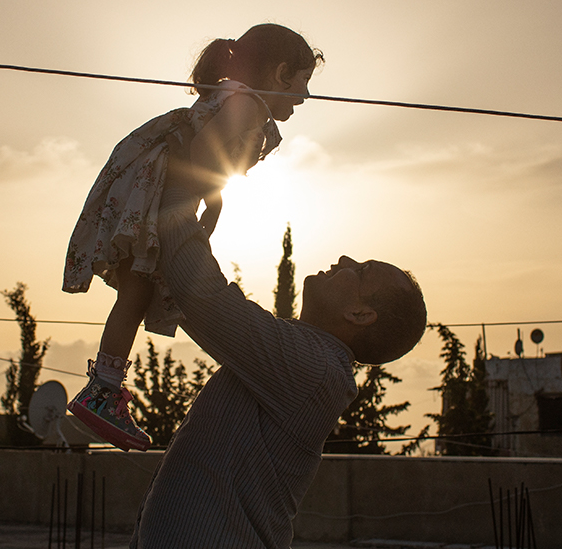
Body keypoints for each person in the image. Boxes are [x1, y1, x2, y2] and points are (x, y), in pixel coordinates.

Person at [126, 139, 428, 548]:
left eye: (360, 271)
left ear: (360, 315)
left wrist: (181, 186)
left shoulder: (312, 367)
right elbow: (191, 298)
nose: (343, 260)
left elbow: (203, 298)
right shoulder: (300, 357)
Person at [62, 24, 323, 451]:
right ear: (280, 73)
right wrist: (210, 193)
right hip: (160, 193)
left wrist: (212, 198)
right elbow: (205, 151)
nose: (307, 94)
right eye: (304, 81)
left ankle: (104, 387)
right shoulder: (248, 104)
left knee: (135, 291)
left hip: (149, 188)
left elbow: (204, 150)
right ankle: (102, 393)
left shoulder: (234, 97)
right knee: (139, 291)